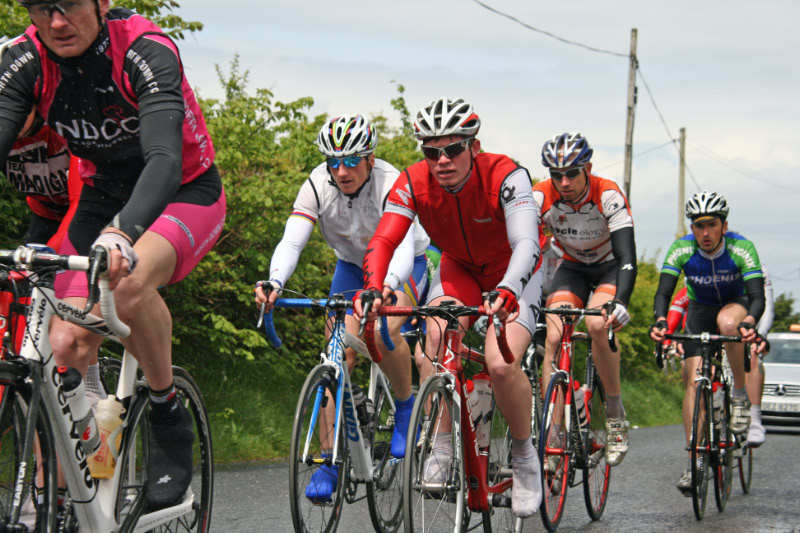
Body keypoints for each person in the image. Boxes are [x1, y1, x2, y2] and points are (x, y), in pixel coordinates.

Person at [0, 0, 226, 510]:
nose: (57, 21)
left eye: (69, 5)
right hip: (102, 192)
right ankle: (78, 480)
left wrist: (122, 233)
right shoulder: (25, 61)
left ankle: (167, 411)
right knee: (63, 341)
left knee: (124, 285)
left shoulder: (145, 49)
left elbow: (165, 159)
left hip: (184, 191)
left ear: (102, 3)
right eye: (42, 8)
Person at [358, 97, 544, 517]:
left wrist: (508, 289)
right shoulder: (412, 181)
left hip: (514, 271)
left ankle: (524, 455)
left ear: (473, 146)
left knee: (500, 364)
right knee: (437, 333)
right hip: (460, 267)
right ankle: (442, 443)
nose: (442, 160)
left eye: (453, 149)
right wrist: (373, 288)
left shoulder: (506, 175)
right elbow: (384, 239)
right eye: (431, 151)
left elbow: (526, 243)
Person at [254, 114, 430, 502]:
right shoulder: (317, 185)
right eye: (334, 162)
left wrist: (386, 287)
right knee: (336, 355)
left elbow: (401, 248)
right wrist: (275, 282)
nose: (342, 171)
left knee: (384, 330)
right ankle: (328, 460)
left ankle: (405, 407)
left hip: (402, 265)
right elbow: (292, 241)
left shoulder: (391, 182)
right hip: (351, 267)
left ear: (370, 158)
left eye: (351, 161)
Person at [649, 191, 764, 494]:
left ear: (724, 226)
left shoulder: (741, 247)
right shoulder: (682, 249)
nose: (705, 232)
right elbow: (664, 293)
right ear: (692, 228)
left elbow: (757, 296)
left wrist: (750, 321)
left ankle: (739, 395)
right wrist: (660, 321)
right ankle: (694, 461)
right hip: (700, 310)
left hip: (735, 304)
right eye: (698, 226)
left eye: (711, 224)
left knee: (728, 323)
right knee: (694, 381)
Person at [533, 132, 637, 467]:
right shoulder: (540, 196)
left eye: (572, 173)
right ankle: (554, 433)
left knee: (596, 324)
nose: (564, 182)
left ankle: (615, 412)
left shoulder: (607, 193)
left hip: (609, 266)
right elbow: (518, 243)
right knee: (554, 335)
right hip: (573, 267)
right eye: (556, 174)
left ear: (588, 168)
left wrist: (621, 301)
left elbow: (627, 256)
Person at [661, 269, 774, 447]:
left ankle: (754, 418)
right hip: (708, 325)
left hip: (742, 319)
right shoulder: (689, 288)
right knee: (692, 369)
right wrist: (667, 339)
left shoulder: (753, 266)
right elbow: (674, 315)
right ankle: (701, 417)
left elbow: (765, 307)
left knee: (753, 354)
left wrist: (761, 335)